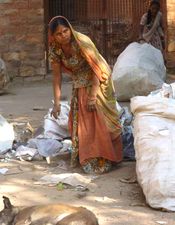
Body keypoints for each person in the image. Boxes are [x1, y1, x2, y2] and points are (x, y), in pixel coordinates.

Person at [48, 16, 122, 174]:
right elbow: (56, 77)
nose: (63, 35)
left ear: (70, 29)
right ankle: (89, 156)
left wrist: (93, 96)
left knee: (99, 119)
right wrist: (57, 103)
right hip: (79, 83)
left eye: (65, 31)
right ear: (53, 36)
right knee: (85, 123)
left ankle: (106, 157)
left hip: (98, 78)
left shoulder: (82, 42)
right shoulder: (55, 49)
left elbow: (96, 67)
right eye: (59, 34)